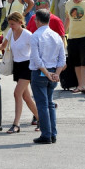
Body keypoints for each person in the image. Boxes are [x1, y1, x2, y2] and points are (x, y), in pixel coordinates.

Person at [0, 12, 39, 134]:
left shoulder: (28, 35)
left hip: (27, 65)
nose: (11, 26)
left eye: (13, 24)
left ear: (20, 22)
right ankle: (41, 119)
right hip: (17, 65)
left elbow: (37, 49)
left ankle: (16, 124)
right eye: (10, 24)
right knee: (26, 97)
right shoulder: (10, 32)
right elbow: (3, 45)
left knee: (17, 93)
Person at [29, 9, 66, 144]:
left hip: (41, 73)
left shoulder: (35, 36)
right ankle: (52, 134)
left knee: (43, 105)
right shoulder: (56, 36)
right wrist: (56, 73)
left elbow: (36, 59)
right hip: (53, 72)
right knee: (50, 104)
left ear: (38, 21)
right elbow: (62, 59)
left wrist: (47, 73)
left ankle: (46, 134)